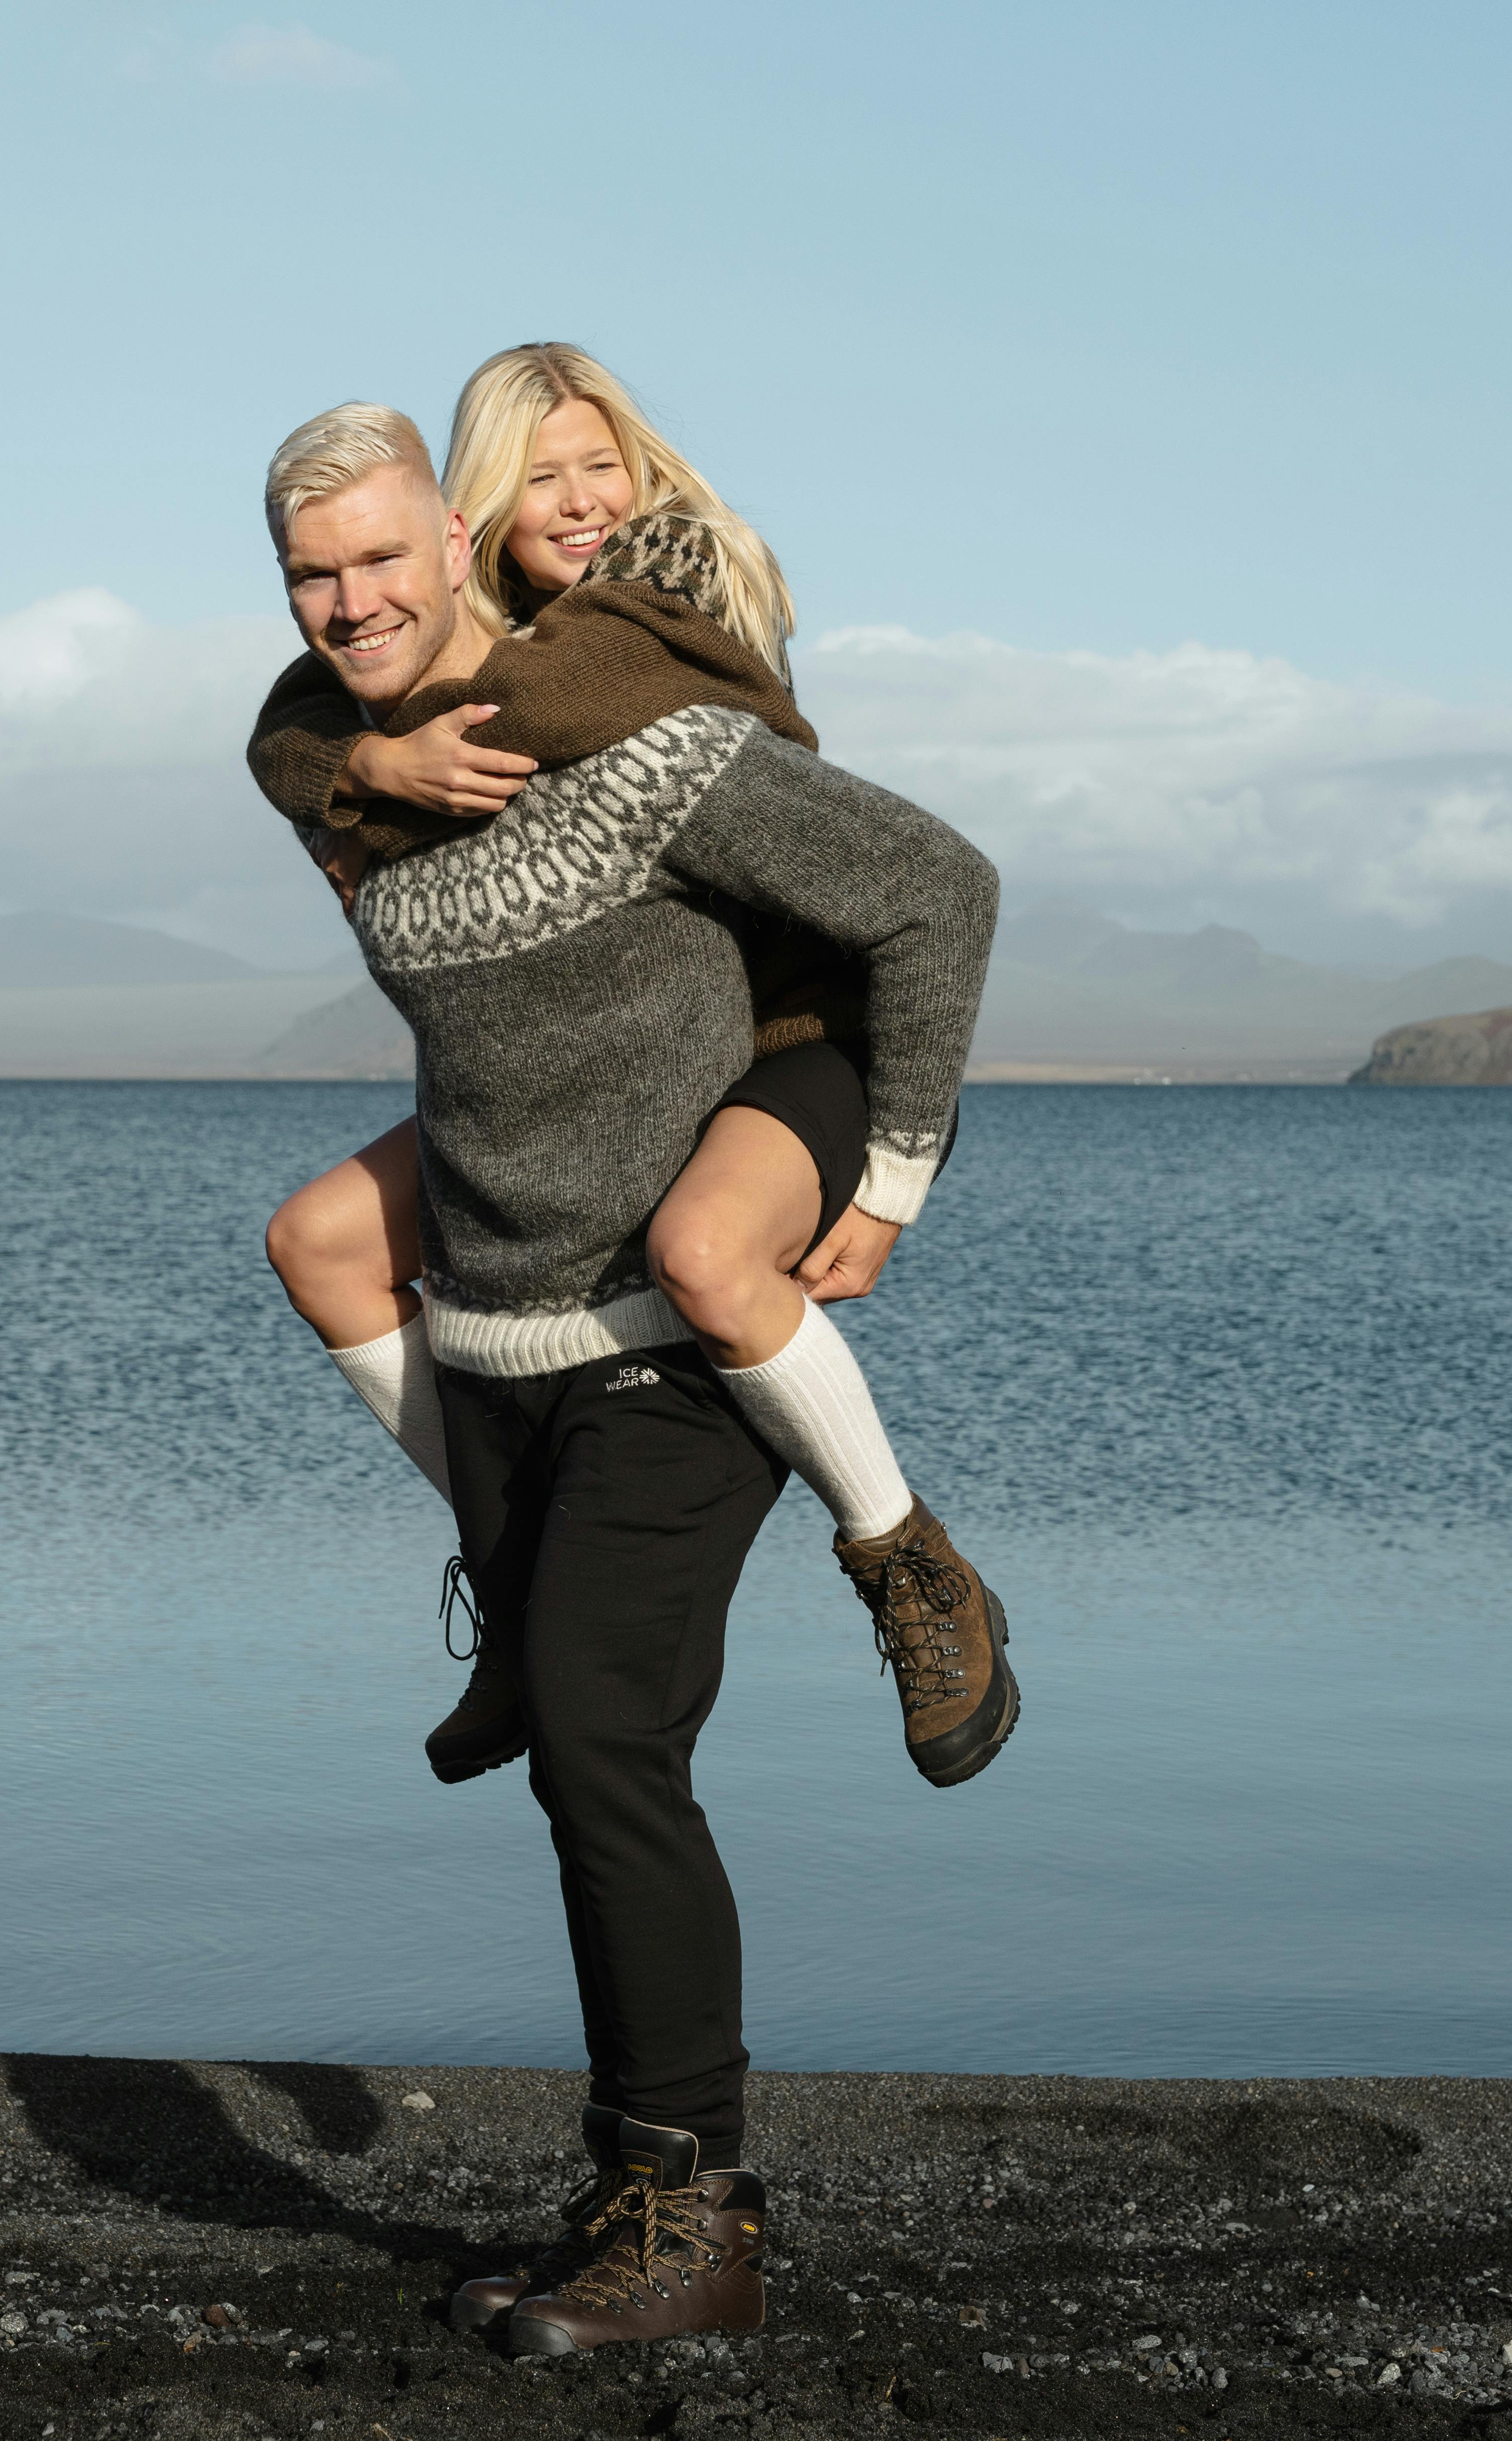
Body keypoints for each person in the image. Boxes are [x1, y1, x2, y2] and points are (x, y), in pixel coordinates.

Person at [257, 396, 1003, 2355]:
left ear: (458, 546)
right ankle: (631, 2197)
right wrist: (357, 757)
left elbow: (939, 891)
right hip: (500, 1333)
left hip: (674, 1337)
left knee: (603, 1742)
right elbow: (285, 732)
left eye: (381, 561)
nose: (350, 602)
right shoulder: (343, 778)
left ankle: (698, 2227)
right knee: (584, 1753)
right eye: (312, 577)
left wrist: (892, 1172)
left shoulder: (637, 739)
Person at [251, 344, 1006, 1798]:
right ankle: (516, 1590)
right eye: (541, 477)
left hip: (813, 1032)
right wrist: (356, 763)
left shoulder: (653, 609)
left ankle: (905, 1556)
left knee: (706, 1254)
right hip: (668, 1043)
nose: (583, 500)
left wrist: (372, 761)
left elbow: (525, 701)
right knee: (322, 1240)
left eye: (605, 465)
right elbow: (293, 712)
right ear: (479, 513)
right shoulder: (463, 640)